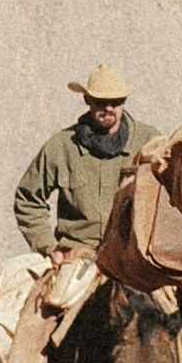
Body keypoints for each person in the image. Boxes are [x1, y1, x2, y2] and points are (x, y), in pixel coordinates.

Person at [14, 61, 156, 260]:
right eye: (100, 102)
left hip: (132, 258)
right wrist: (49, 247)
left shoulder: (149, 143)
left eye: (115, 102)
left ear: (123, 102)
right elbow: (27, 199)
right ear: (87, 100)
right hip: (76, 257)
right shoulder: (61, 147)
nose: (108, 108)